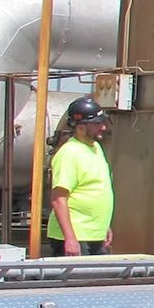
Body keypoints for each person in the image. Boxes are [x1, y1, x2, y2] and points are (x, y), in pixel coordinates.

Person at [47, 96, 115, 257]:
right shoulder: (69, 153)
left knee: (98, 281)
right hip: (75, 237)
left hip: (94, 235)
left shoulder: (96, 148)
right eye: (97, 123)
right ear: (81, 126)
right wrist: (70, 238)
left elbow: (96, 189)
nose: (103, 127)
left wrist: (104, 226)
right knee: (77, 282)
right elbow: (58, 199)